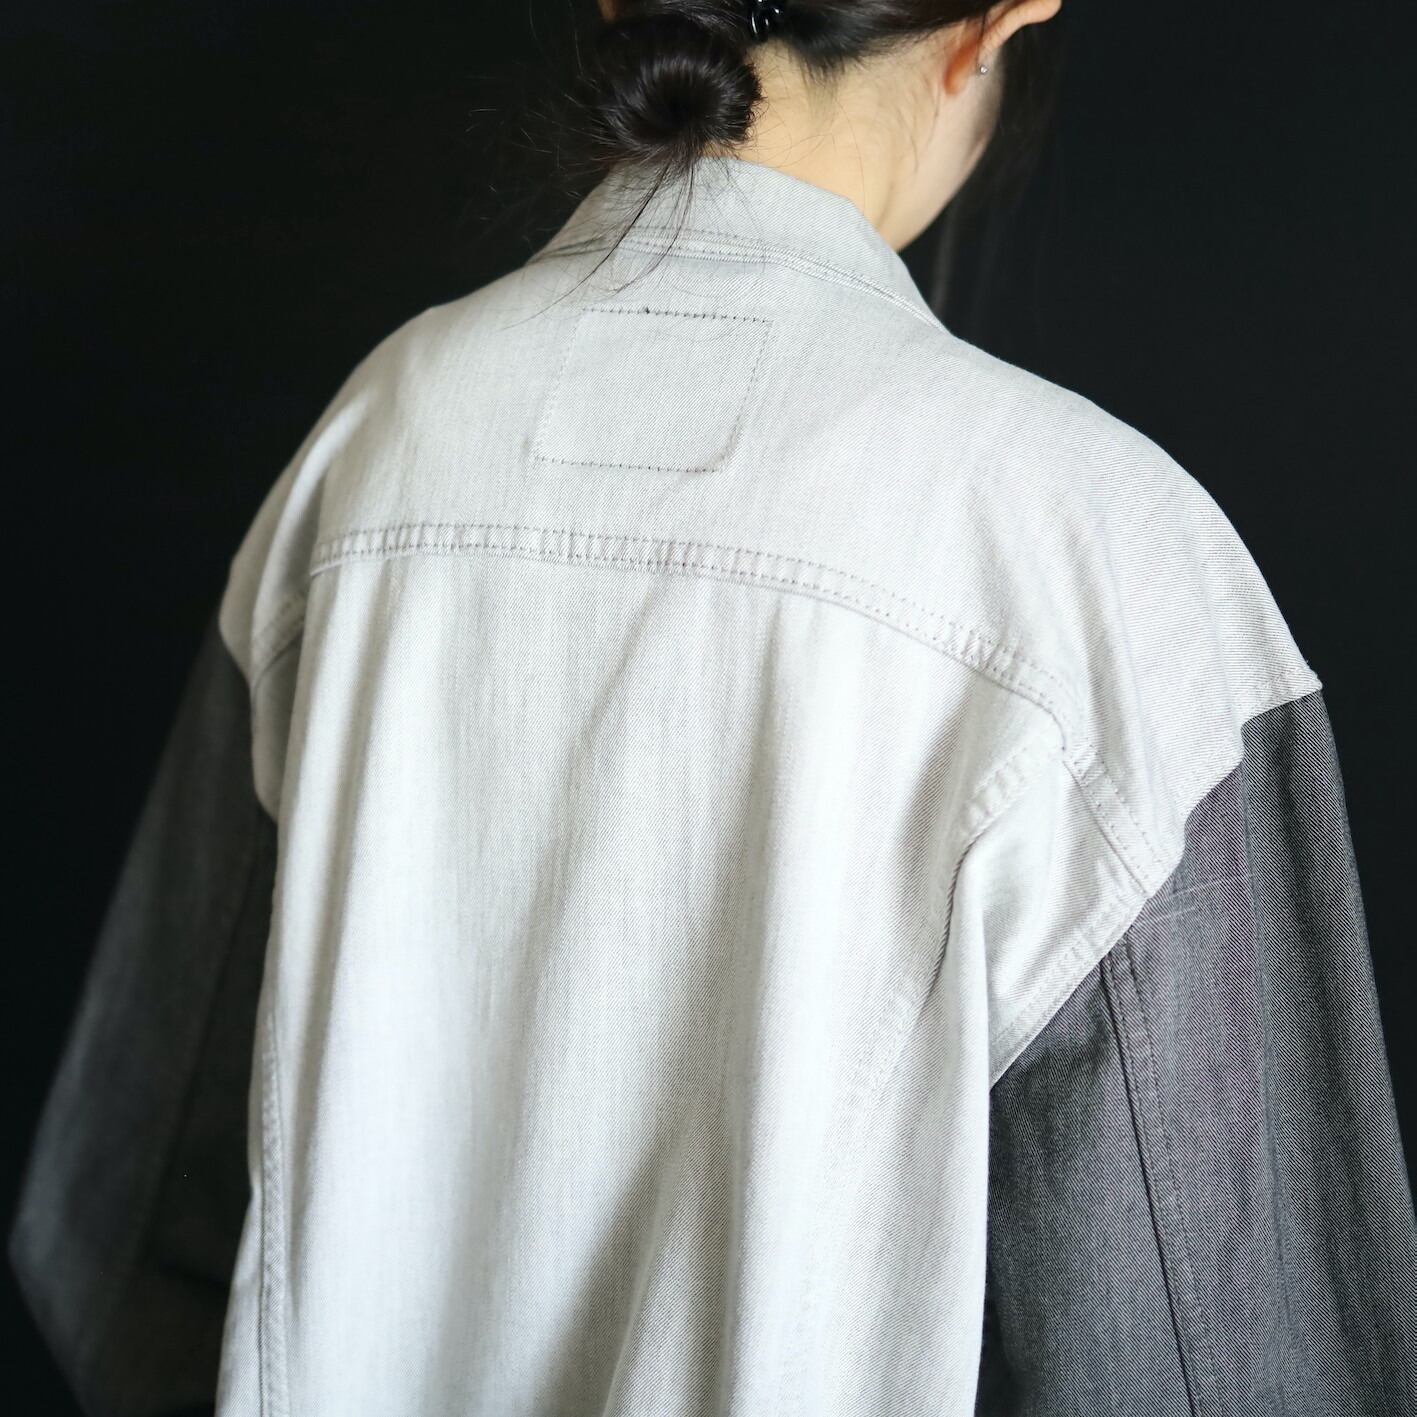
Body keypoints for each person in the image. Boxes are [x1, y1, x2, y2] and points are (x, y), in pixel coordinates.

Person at [10, 2, 1416, 1414]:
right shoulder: (1101, 557)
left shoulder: (372, 445)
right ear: (999, 20)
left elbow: (125, 1233)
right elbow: (1224, 1355)